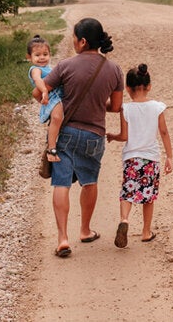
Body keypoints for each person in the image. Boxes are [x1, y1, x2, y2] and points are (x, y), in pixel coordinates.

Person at [35, 18, 123, 258]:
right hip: (94, 135)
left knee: (61, 183)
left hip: (67, 133)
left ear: (83, 41)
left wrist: (55, 103)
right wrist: (95, 102)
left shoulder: (65, 66)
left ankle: (63, 238)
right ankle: (84, 230)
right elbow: (115, 106)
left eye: (74, 37)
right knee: (90, 181)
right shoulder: (114, 70)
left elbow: (38, 91)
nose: (73, 41)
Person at [106, 63, 173, 248]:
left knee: (128, 191)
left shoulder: (125, 109)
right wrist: (169, 156)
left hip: (131, 158)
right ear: (149, 86)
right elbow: (164, 132)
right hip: (150, 158)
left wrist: (112, 136)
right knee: (148, 196)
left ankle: (125, 220)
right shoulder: (157, 107)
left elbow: (125, 136)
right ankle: (146, 232)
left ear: (127, 88)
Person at [26, 35, 64, 155]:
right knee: (57, 117)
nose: (42, 58)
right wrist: (44, 91)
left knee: (60, 119)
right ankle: (51, 147)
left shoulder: (48, 68)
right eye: (37, 55)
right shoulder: (35, 69)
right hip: (51, 97)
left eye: (45, 54)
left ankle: (57, 138)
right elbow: (38, 80)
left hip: (57, 95)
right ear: (29, 57)